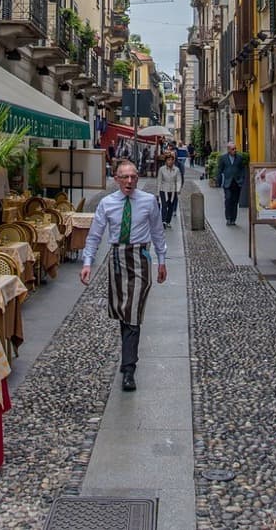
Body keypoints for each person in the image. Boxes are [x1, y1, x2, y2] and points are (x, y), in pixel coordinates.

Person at [80, 160, 167, 391]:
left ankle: (129, 369)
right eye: (125, 177)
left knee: (133, 312)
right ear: (117, 179)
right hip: (117, 259)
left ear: (137, 179)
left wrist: (162, 260)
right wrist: (87, 262)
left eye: (133, 177)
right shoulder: (107, 204)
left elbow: (158, 232)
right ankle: (128, 356)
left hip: (140, 258)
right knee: (123, 310)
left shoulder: (148, 202)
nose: (129, 181)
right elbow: (95, 235)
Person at [216, 142, 245, 226]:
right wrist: (219, 181)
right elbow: (219, 170)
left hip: (237, 183)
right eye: (233, 149)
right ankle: (228, 218)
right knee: (228, 200)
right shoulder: (223, 158)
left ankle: (233, 219)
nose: (235, 150)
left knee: (235, 202)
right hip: (227, 183)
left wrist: (242, 179)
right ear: (228, 150)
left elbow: (242, 169)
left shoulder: (239, 158)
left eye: (235, 148)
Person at [156, 153, 182, 228]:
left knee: (171, 207)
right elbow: (159, 181)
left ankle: (168, 221)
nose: (170, 161)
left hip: (173, 190)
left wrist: (178, 189)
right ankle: (163, 221)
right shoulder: (161, 169)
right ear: (165, 161)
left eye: (171, 160)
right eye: (168, 160)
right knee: (164, 206)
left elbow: (178, 180)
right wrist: (157, 193)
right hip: (163, 189)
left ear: (173, 161)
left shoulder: (176, 170)